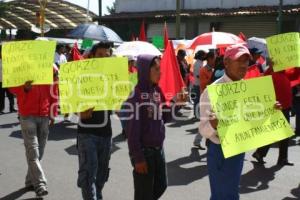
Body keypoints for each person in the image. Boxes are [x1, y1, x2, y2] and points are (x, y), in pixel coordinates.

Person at [126, 54, 187, 200]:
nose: (161, 73)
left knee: (161, 185)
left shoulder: (157, 91)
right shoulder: (136, 96)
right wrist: (138, 158)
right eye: (157, 69)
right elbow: (132, 132)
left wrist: (176, 104)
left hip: (159, 150)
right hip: (144, 153)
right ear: (145, 71)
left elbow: (164, 117)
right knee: (143, 194)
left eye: (160, 69)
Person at [199, 44, 252, 200]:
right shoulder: (212, 91)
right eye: (239, 61)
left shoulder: (248, 88)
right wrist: (213, 124)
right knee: (221, 195)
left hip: (238, 148)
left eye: (246, 61)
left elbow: (252, 120)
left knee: (231, 193)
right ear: (227, 63)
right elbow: (203, 130)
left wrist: (270, 111)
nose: (244, 65)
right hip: (219, 150)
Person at [9, 67, 58, 197]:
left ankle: (30, 180)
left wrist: (53, 113)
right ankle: (40, 184)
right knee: (33, 150)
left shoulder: (51, 67)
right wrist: (24, 87)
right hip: (27, 115)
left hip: (44, 115)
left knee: (39, 151)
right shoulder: (21, 67)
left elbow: (54, 91)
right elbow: (11, 87)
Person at [77, 42, 113, 200]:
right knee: (88, 175)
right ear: (91, 56)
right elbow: (70, 101)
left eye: (107, 56)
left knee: (102, 174)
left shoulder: (112, 77)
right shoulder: (80, 75)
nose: (104, 59)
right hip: (87, 133)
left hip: (106, 134)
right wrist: (79, 112)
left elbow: (119, 104)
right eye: (100, 55)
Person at [252, 58, 294, 166]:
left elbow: (296, 72)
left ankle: (281, 158)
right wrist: (270, 66)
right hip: (275, 108)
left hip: (285, 107)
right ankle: (260, 153)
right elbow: (263, 81)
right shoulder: (271, 74)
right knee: (274, 133)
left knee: (284, 135)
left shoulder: (285, 74)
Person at [0, 45, 16, 114]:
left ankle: (12, 108)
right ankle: (1, 109)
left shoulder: (9, 60)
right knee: (1, 96)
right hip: (1, 81)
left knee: (11, 95)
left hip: (9, 81)